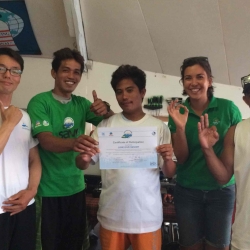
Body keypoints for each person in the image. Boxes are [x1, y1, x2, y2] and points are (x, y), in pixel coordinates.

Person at [76, 65, 176, 250]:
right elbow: (82, 164)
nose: (124, 96)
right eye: (119, 92)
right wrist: (84, 155)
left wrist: (169, 158)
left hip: (147, 218)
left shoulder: (159, 127)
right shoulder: (106, 125)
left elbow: (169, 172)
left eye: (130, 90)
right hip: (111, 216)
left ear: (142, 92)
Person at [27, 47, 113, 250]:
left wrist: (106, 110)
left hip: (76, 188)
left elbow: (115, 125)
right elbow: (46, 140)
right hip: (47, 191)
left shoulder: (82, 104)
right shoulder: (40, 102)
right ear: (54, 73)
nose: (71, 76)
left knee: (74, 244)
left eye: (76, 72)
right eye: (66, 70)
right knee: (47, 245)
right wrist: (74, 143)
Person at [167, 56, 242, 250]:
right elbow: (181, 159)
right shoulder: (177, 112)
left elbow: (236, 154)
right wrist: (181, 128)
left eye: (199, 77)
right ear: (182, 82)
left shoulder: (229, 109)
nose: (193, 83)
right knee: (190, 246)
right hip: (187, 191)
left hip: (221, 192)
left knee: (218, 247)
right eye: (187, 78)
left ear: (210, 80)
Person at [197, 75, 250, 250]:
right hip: (245, 236)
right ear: (246, 100)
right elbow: (223, 177)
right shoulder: (236, 132)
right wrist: (207, 149)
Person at [0, 47, 42, 250]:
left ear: (19, 78)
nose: (8, 75)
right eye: (1, 68)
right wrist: (8, 124)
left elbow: (34, 159)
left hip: (23, 208)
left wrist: (31, 191)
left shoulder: (24, 116)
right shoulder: (15, 118)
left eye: (15, 70)